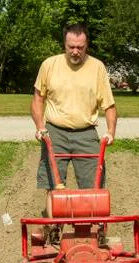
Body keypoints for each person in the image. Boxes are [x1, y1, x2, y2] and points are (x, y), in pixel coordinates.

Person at [31, 23, 117, 218]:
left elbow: (109, 105)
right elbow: (37, 99)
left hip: (86, 133)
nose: (75, 51)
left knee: (93, 185)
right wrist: (40, 127)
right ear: (65, 44)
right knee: (53, 185)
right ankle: (53, 227)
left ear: (87, 46)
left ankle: (89, 232)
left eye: (80, 47)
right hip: (54, 132)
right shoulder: (49, 65)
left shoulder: (97, 67)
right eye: (71, 47)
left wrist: (111, 131)